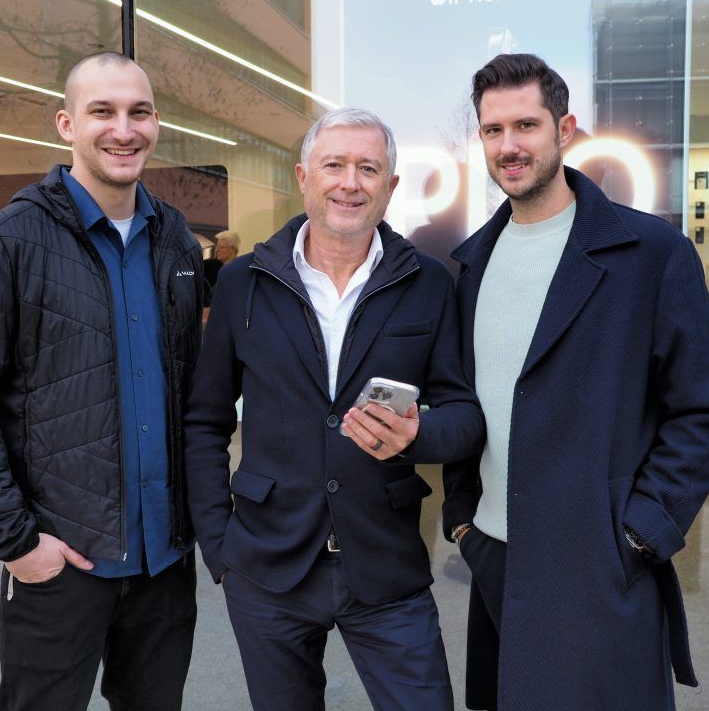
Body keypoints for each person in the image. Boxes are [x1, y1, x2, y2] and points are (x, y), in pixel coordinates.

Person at [442, 53, 709, 711]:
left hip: (597, 562)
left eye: (526, 125)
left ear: (565, 128)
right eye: (493, 130)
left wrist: (638, 532)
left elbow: (705, 414)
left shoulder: (650, 254)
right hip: (494, 554)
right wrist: (462, 518)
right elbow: (471, 401)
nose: (509, 146)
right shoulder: (474, 265)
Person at [185, 107, 485, 711]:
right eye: (334, 165)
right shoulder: (244, 281)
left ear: (391, 187)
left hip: (387, 562)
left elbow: (464, 413)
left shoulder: (430, 281)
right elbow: (204, 421)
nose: (350, 182)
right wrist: (220, 548)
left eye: (368, 168)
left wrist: (418, 434)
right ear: (303, 177)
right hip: (267, 568)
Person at [0, 51, 203, 711]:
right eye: (102, 112)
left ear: (156, 123)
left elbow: (191, 387)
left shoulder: (177, 242)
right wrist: (17, 542)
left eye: (138, 112)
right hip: (60, 559)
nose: (123, 129)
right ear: (65, 125)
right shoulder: (5, 241)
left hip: (163, 561)